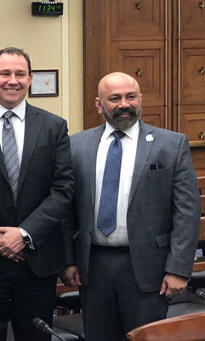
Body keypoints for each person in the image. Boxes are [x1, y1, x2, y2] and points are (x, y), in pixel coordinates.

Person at [61, 72, 200, 340]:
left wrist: (178, 269)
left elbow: (187, 211)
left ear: (140, 100)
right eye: (114, 98)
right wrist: (68, 260)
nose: (124, 104)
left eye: (131, 96)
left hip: (150, 268)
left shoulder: (171, 144)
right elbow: (67, 209)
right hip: (94, 266)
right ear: (99, 105)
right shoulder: (77, 145)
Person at [0, 47, 74, 340]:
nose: (13, 80)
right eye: (5, 73)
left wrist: (24, 234)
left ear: (30, 78)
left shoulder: (53, 127)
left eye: (20, 74)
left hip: (36, 262)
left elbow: (62, 189)